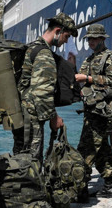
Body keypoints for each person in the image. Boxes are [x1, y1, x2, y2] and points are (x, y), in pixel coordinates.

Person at [14, 12, 75, 163]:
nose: (66, 41)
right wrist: (54, 118)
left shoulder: (31, 47)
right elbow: (42, 93)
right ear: (58, 31)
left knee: (20, 159)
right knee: (32, 163)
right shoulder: (44, 54)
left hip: (21, 114)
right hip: (32, 118)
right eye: (66, 36)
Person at [75, 24, 112, 200]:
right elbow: (80, 79)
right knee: (101, 149)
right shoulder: (89, 59)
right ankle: (109, 186)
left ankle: (80, 188)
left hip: (102, 112)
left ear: (103, 39)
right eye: (89, 39)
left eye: (94, 38)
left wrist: (88, 78)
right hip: (91, 109)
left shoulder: (111, 58)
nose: (91, 42)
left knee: (86, 149)